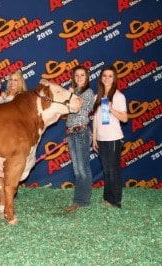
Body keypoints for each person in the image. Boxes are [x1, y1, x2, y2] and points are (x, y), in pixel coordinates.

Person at [92, 65, 128, 208]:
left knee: (113, 171)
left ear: (114, 79)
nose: (107, 78)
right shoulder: (97, 97)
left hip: (114, 138)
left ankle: (115, 201)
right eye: (104, 76)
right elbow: (95, 118)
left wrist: (111, 108)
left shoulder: (119, 96)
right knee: (107, 170)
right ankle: (108, 198)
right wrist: (94, 138)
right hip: (101, 139)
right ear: (101, 78)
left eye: (110, 76)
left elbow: (125, 118)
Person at [64, 65, 95, 212]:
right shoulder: (74, 92)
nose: (79, 78)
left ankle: (83, 200)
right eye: (76, 75)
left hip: (82, 132)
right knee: (77, 169)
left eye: (82, 75)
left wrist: (72, 96)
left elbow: (80, 108)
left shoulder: (88, 92)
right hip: (72, 132)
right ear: (73, 78)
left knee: (83, 168)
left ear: (87, 77)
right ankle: (78, 200)